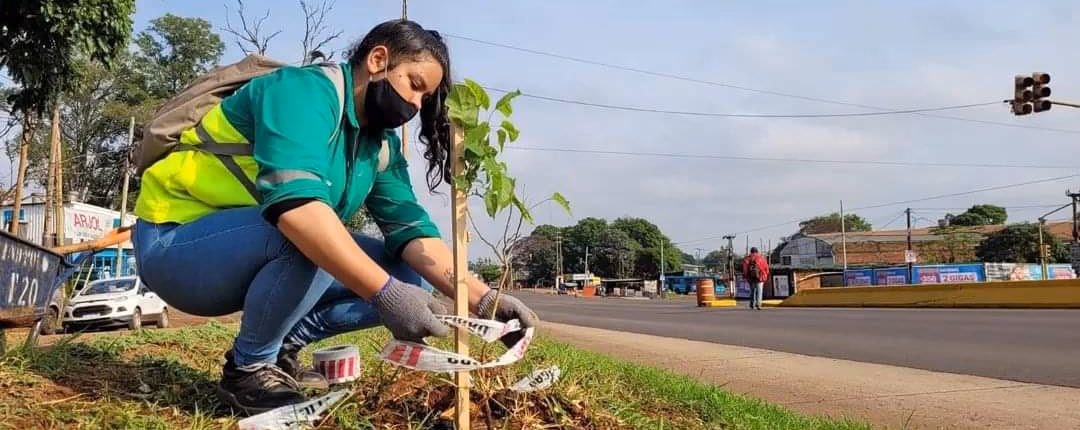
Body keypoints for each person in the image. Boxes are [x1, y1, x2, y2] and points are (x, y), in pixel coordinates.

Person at [131, 20, 537, 415]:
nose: (415, 106)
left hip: (246, 246)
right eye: (414, 85)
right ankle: (248, 369)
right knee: (309, 238)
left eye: (424, 100)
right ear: (378, 60)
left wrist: (484, 301)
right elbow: (298, 213)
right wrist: (386, 295)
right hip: (176, 246)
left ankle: (284, 346)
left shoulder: (377, 147)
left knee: (405, 273)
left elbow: (413, 232)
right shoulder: (302, 93)